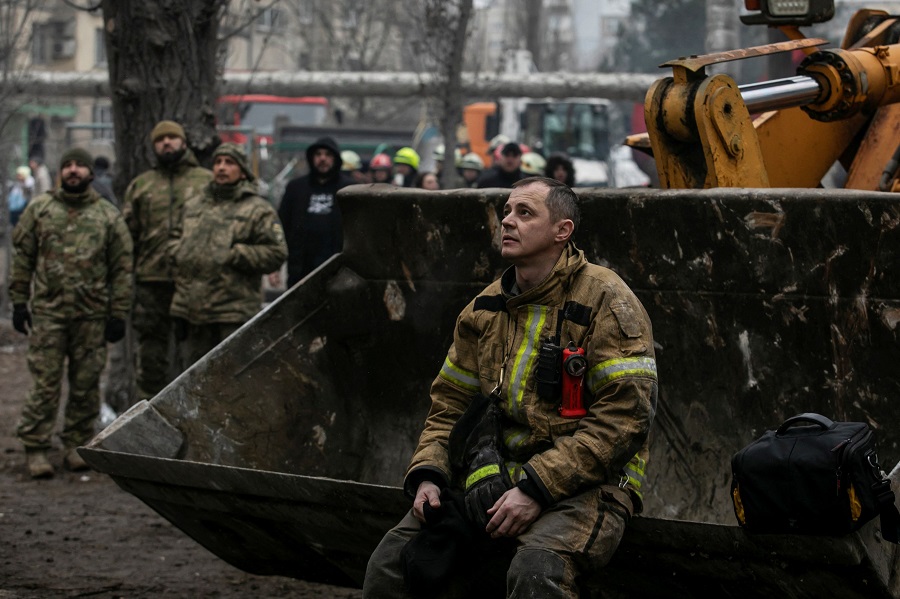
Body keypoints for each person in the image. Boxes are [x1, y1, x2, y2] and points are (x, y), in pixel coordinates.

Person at [363, 176, 658, 598]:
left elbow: (626, 419)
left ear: (562, 231)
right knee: (389, 566)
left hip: (590, 485)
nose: (507, 221)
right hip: (495, 478)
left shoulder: (607, 300)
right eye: (506, 212)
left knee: (536, 573)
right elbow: (449, 404)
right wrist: (429, 474)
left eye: (524, 213)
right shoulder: (483, 309)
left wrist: (537, 488)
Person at [9, 147, 133, 478]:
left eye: (80, 165)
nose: (74, 170)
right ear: (61, 171)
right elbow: (23, 258)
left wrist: (118, 313)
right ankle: (36, 448)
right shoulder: (40, 210)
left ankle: (76, 445)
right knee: (45, 384)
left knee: (86, 384)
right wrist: (19, 302)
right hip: (48, 315)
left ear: (91, 173)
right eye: (68, 165)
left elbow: (121, 269)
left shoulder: (107, 216)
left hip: (91, 317)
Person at [169, 142, 287, 368]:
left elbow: (276, 252)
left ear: (242, 171)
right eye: (218, 162)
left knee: (230, 379)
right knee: (192, 381)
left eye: (229, 163)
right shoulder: (194, 205)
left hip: (232, 313)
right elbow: (174, 238)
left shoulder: (257, 209)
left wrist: (234, 254)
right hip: (192, 313)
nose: (222, 167)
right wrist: (180, 252)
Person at [122, 120, 214, 401]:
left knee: (199, 349)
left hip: (195, 279)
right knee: (151, 351)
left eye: (172, 138)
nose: (167, 143)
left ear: (183, 142)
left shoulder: (206, 181)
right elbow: (128, 236)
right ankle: (147, 413)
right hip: (152, 280)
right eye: (161, 140)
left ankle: (196, 406)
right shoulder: (142, 185)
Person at [278, 136, 353, 288]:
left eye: (328, 155)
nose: (322, 159)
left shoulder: (349, 190)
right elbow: (281, 226)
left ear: (336, 159)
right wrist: (276, 266)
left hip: (338, 272)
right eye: (318, 154)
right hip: (300, 271)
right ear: (311, 158)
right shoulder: (296, 188)